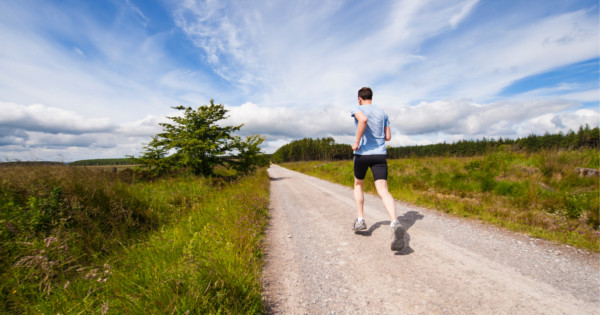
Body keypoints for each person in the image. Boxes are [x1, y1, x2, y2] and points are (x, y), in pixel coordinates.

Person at [351, 87, 404, 251]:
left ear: (360, 98)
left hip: (362, 154)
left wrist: (357, 141)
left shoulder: (357, 109)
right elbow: (388, 137)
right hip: (380, 155)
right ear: (371, 98)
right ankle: (394, 222)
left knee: (358, 184)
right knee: (383, 190)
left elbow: (363, 120)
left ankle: (360, 220)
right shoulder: (382, 112)